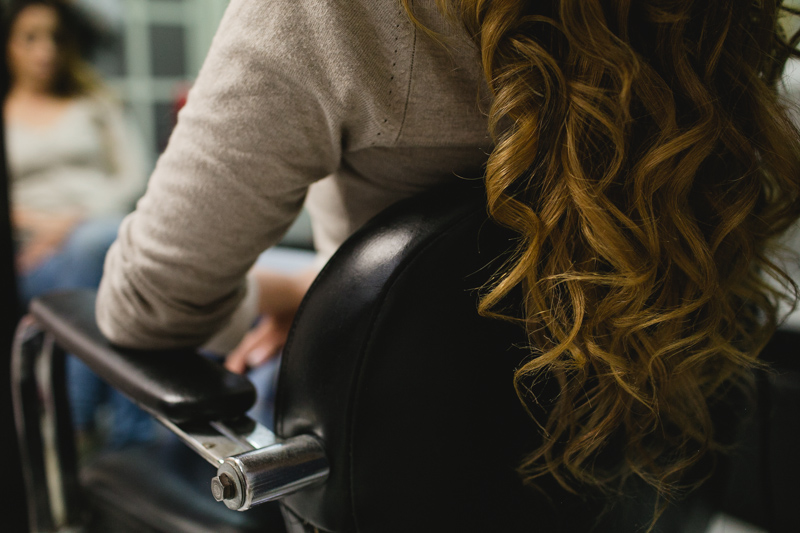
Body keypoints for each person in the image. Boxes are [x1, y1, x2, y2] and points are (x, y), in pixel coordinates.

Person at [95, 0, 800, 518]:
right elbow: (568, 249)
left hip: (387, 478)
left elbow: (149, 306)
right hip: (637, 474)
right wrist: (324, 303)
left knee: (82, 263)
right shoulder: (723, 23)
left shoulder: (335, 14)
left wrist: (331, 324)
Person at [4, 0, 151, 449]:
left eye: (54, 37)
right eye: (30, 37)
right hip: (35, 256)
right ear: (9, 45)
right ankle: (90, 426)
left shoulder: (96, 103)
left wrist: (72, 223)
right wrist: (39, 227)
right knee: (110, 267)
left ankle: (105, 435)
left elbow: (135, 175)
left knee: (103, 249)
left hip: (101, 231)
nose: (45, 49)